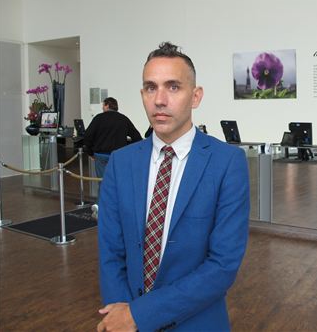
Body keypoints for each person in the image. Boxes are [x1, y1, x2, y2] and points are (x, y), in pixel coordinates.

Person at [97, 42, 250, 332]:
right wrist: (121, 313)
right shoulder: (121, 162)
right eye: (151, 88)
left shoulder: (227, 162)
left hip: (196, 323)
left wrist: (139, 315)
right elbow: (110, 252)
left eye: (173, 87)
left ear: (195, 96)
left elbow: (222, 265)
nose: (160, 100)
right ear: (142, 94)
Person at [83, 97, 142, 182]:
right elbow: (137, 137)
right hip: (119, 156)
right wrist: (127, 150)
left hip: (101, 156)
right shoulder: (123, 119)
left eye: (103, 105)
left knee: (103, 183)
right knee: (118, 182)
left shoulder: (98, 118)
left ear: (107, 105)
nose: (102, 107)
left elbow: (88, 136)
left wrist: (90, 152)